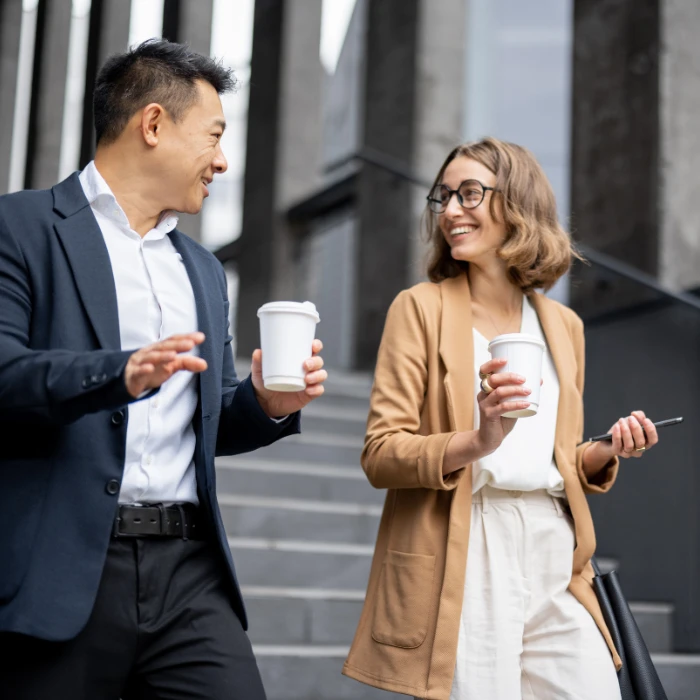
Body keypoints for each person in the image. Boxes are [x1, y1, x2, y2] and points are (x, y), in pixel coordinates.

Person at [0, 39, 327, 700]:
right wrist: (119, 373)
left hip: (188, 574)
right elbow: (6, 377)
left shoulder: (203, 270)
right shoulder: (20, 227)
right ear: (153, 125)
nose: (224, 161)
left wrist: (266, 404)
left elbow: (207, 421)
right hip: (64, 571)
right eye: (213, 135)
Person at [342, 137, 659, 700]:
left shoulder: (564, 326)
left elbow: (556, 459)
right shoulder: (420, 309)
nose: (452, 210)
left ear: (517, 203)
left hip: (555, 546)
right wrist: (478, 439)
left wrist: (608, 448)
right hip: (468, 538)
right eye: (444, 197)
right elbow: (381, 453)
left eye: (470, 193)